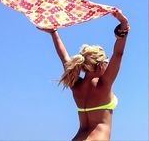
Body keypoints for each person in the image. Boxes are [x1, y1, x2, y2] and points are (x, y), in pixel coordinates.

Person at [38, 10, 129, 141]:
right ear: (99, 65)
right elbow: (118, 54)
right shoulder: (103, 84)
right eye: (106, 62)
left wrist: (53, 32)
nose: (108, 64)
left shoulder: (75, 84)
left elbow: (64, 58)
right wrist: (124, 24)